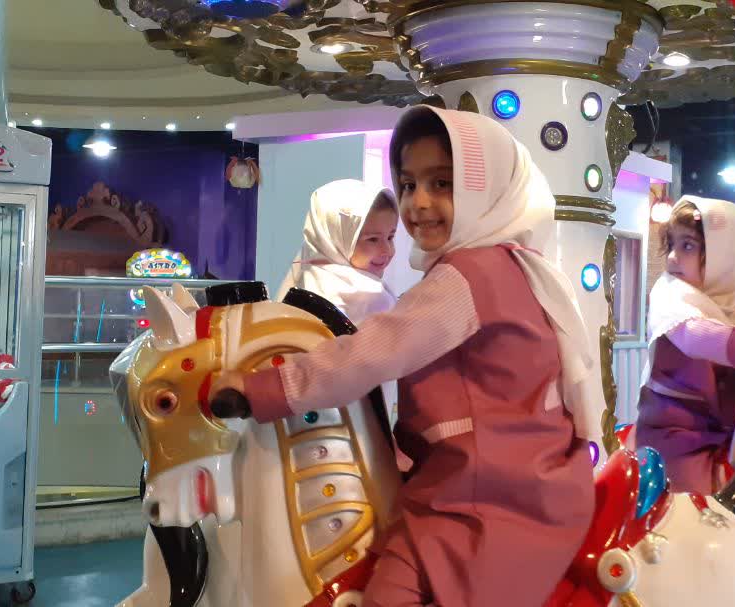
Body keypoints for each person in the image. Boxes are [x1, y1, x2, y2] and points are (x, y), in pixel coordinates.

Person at [210, 106, 603, 607]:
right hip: (499, 473)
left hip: (485, 493)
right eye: (409, 184)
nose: (419, 203)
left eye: (442, 183)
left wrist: (263, 388)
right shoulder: (512, 264)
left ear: (486, 190)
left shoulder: (469, 276)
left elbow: (373, 351)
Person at [636, 197, 735, 496]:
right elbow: (692, 333)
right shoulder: (672, 294)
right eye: (671, 245)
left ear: (731, 256)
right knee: (690, 502)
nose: (672, 257)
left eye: (687, 246)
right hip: (681, 431)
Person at [279, 179, 400, 320]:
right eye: (372, 239)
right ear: (335, 239)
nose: (387, 250)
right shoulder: (329, 298)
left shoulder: (309, 278)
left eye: (390, 237)